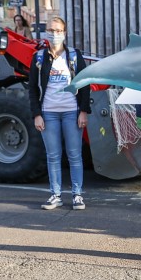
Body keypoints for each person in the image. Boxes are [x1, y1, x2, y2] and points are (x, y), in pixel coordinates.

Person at [28, 16, 91, 211]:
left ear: (64, 33)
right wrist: (36, 114)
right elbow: (32, 88)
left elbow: (84, 83)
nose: (54, 34)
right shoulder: (38, 58)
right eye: (51, 30)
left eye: (58, 30)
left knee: (74, 155)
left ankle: (77, 195)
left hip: (71, 112)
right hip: (49, 114)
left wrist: (83, 111)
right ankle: (55, 195)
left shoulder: (73, 55)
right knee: (53, 156)